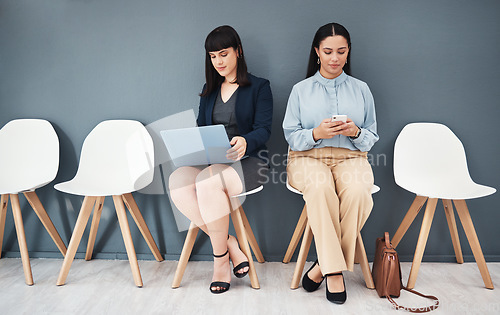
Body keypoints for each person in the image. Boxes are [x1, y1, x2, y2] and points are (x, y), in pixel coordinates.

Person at [168, 25, 273, 294]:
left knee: (207, 182)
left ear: (238, 51)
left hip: (250, 163)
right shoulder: (209, 90)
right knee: (177, 180)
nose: (219, 62)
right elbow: (202, 128)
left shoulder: (259, 87)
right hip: (213, 163)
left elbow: (264, 129)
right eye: (213, 56)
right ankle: (231, 244)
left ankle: (220, 263)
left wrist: (246, 140)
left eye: (224, 54)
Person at [282, 22, 378, 304]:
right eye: (328, 51)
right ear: (317, 52)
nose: (334, 58)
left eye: (341, 51)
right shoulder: (300, 90)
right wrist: (316, 133)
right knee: (320, 188)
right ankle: (334, 272)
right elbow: (291, 135)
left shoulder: (362, 89)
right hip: (307, 158)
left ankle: (323, 265)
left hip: (351, 156)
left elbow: (371, 135)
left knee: (360, 191)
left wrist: (356, 132)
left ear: (348, 53)